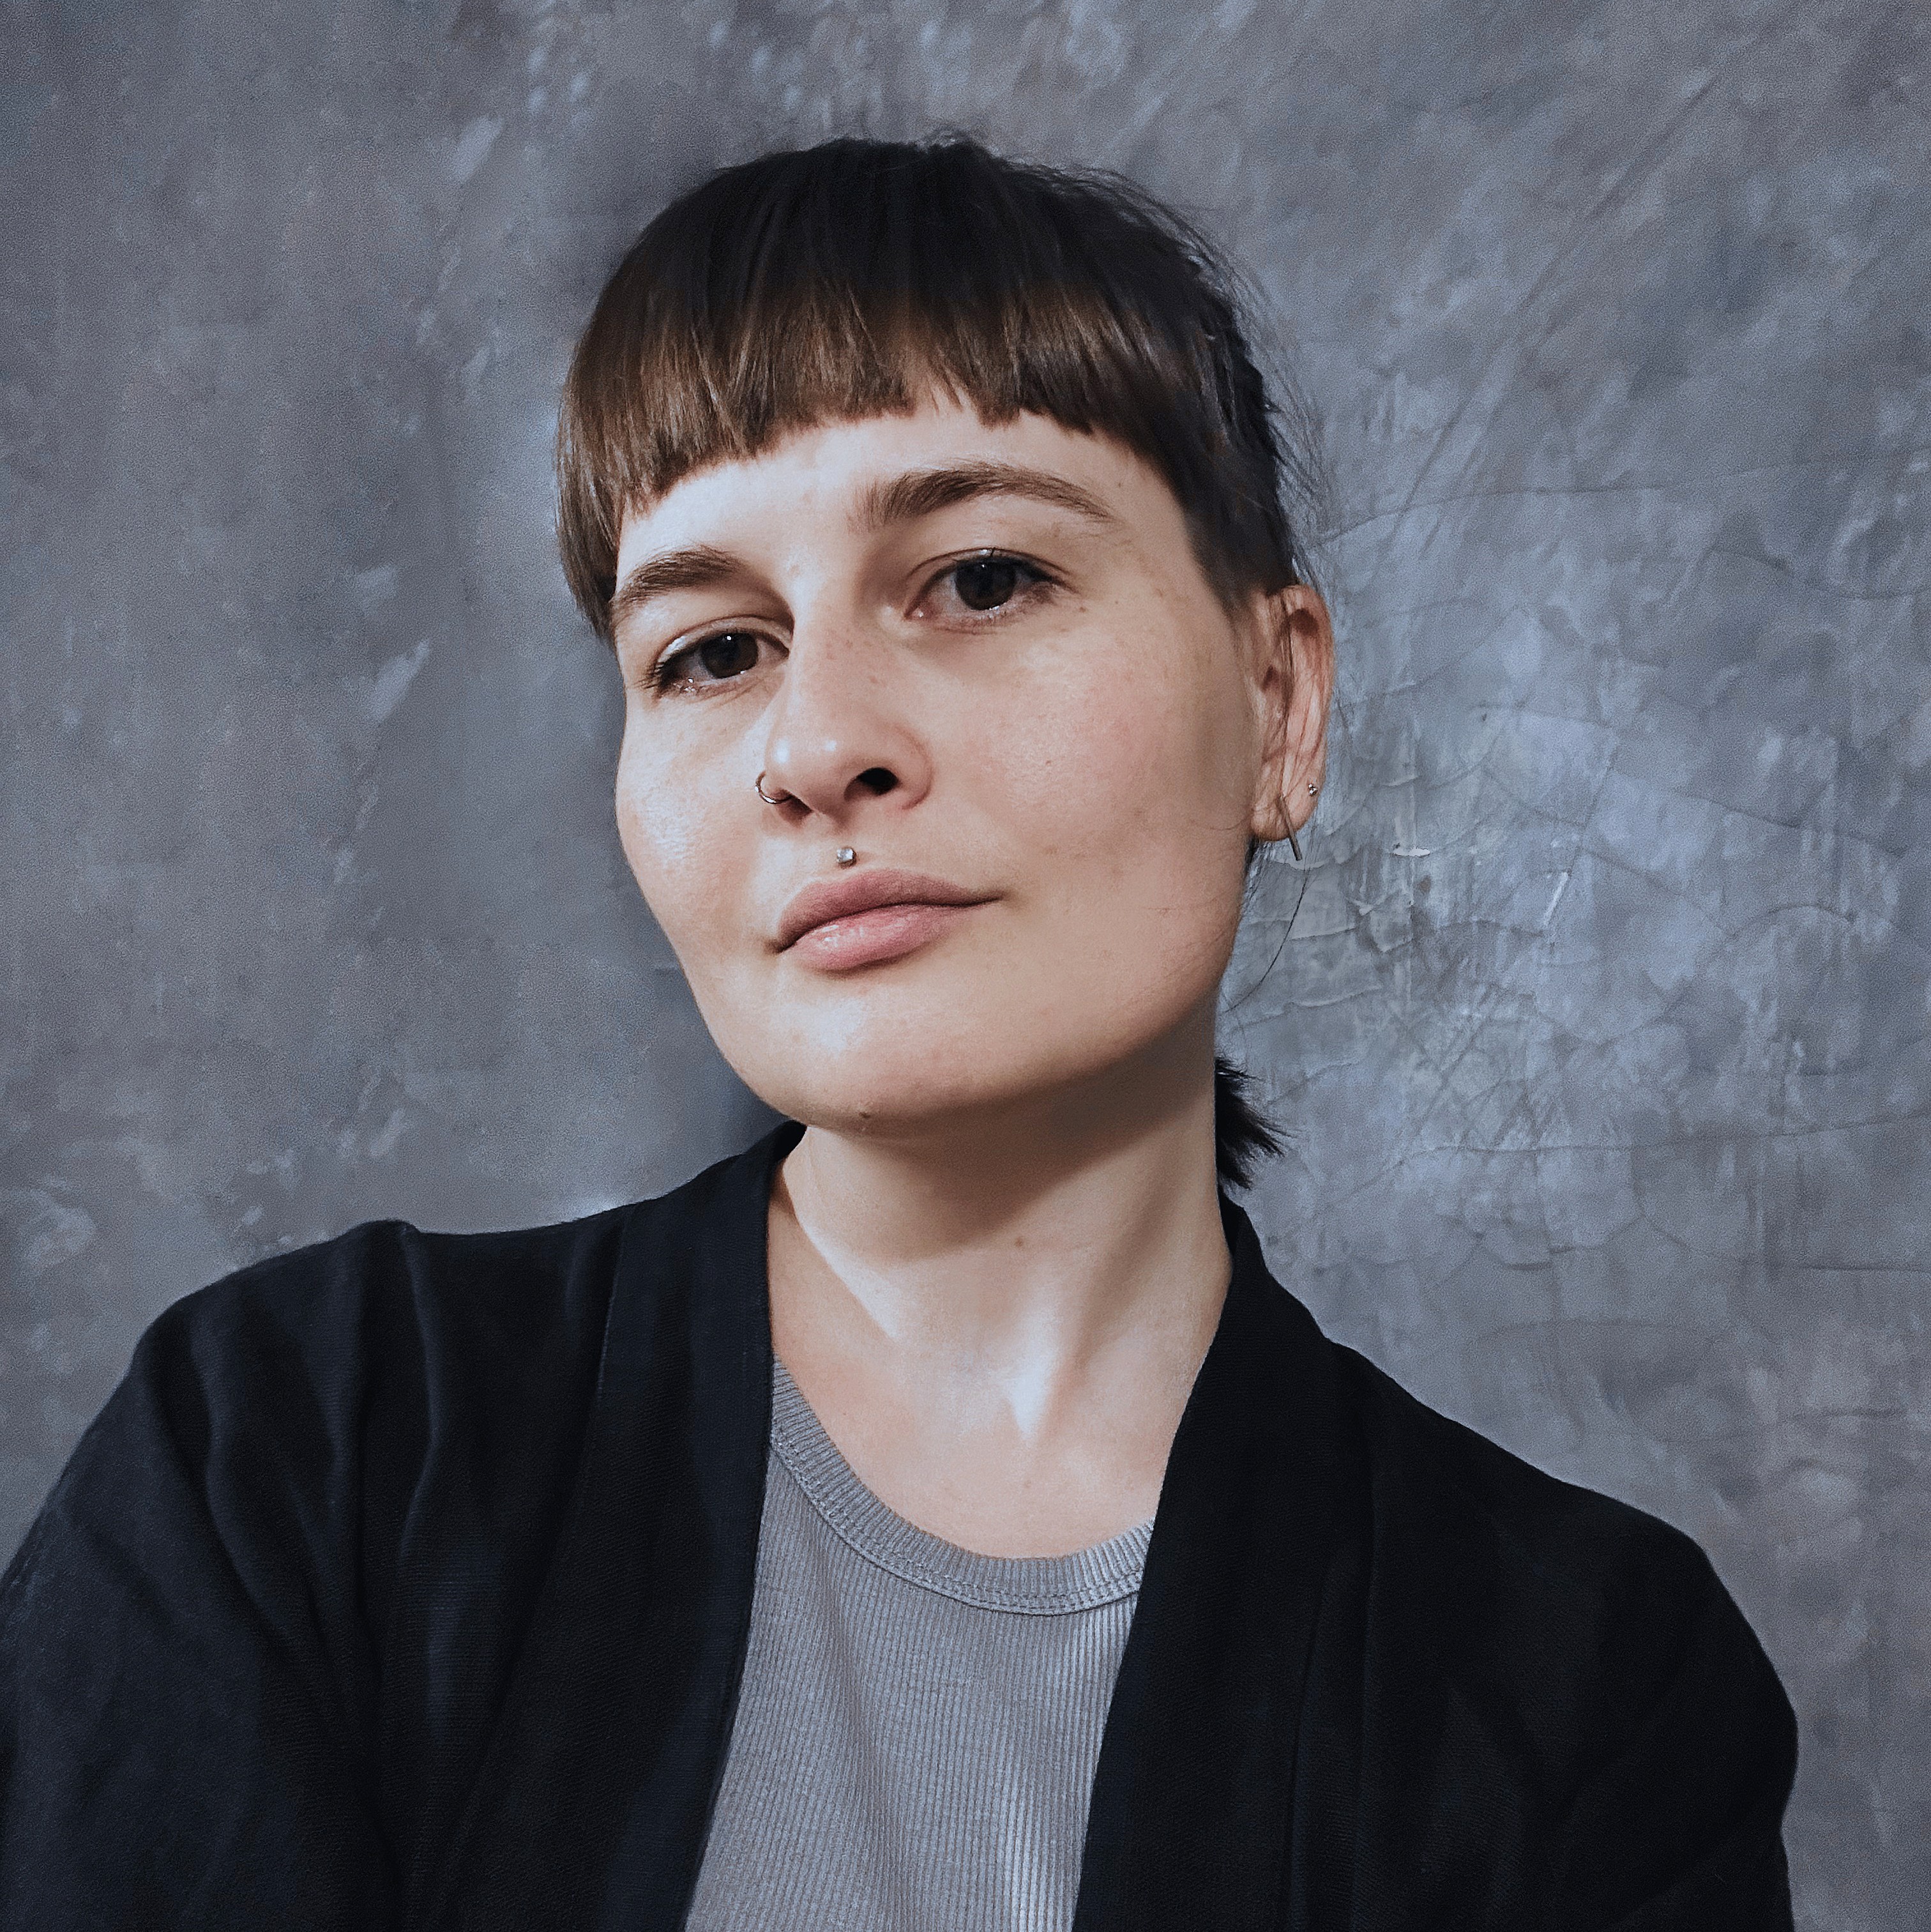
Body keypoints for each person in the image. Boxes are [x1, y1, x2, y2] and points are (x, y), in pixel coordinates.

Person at [0, 137, 1796, 1931]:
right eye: (712, 651)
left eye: (984, 577)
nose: (815, 744)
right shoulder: (291, 1461)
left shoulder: (1593, 1695)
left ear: (1280, 703)